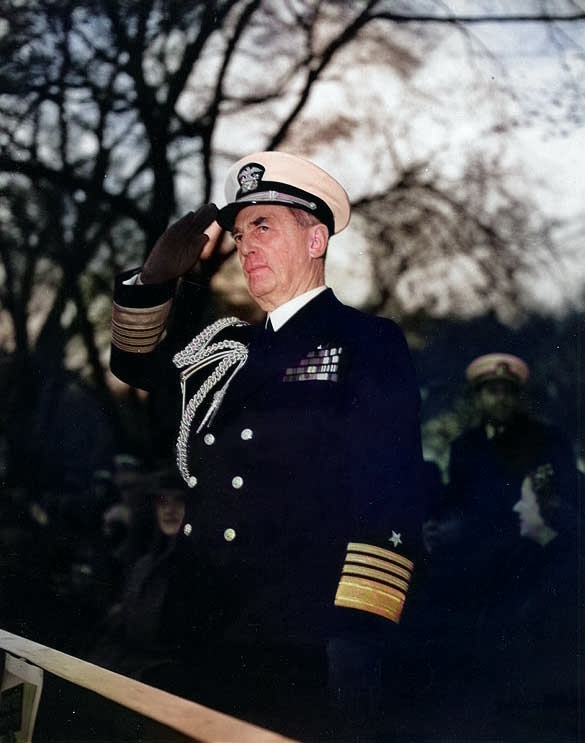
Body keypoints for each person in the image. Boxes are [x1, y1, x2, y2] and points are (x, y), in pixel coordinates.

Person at [109, 151, 425, 740]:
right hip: (197, 627)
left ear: (314, 240)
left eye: (263, 225)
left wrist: (358, 634)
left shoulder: (364, 341)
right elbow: (135, 363)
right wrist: (155, 279)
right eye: (237, 231)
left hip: (294, 639)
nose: (245, 243)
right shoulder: (227, 348)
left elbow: (392, 495)